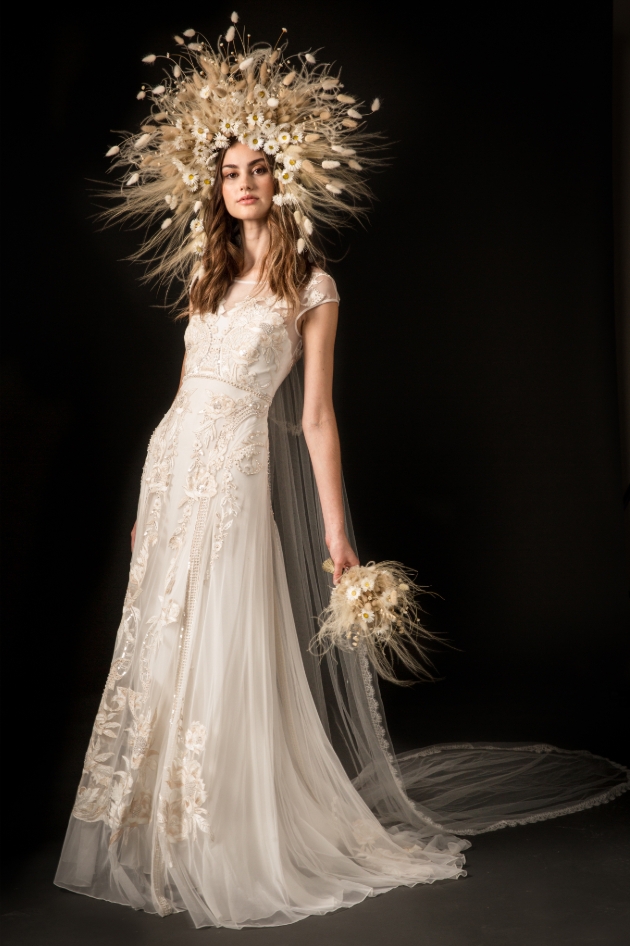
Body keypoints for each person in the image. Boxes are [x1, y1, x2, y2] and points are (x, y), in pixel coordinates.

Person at [55, 17, 629, 930]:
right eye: (230, 173)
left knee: (226, 635)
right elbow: (180, 396)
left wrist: (335, 534)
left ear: (283, 178)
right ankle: (164, 831)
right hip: (174, 469)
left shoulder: (310, 287)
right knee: (160, 640)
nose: (243, 186)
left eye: (258, 170)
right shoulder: (209, 273)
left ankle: (231, 834)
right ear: (217, 184)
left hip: (236, 468)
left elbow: (315, 418)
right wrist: (143, 495)